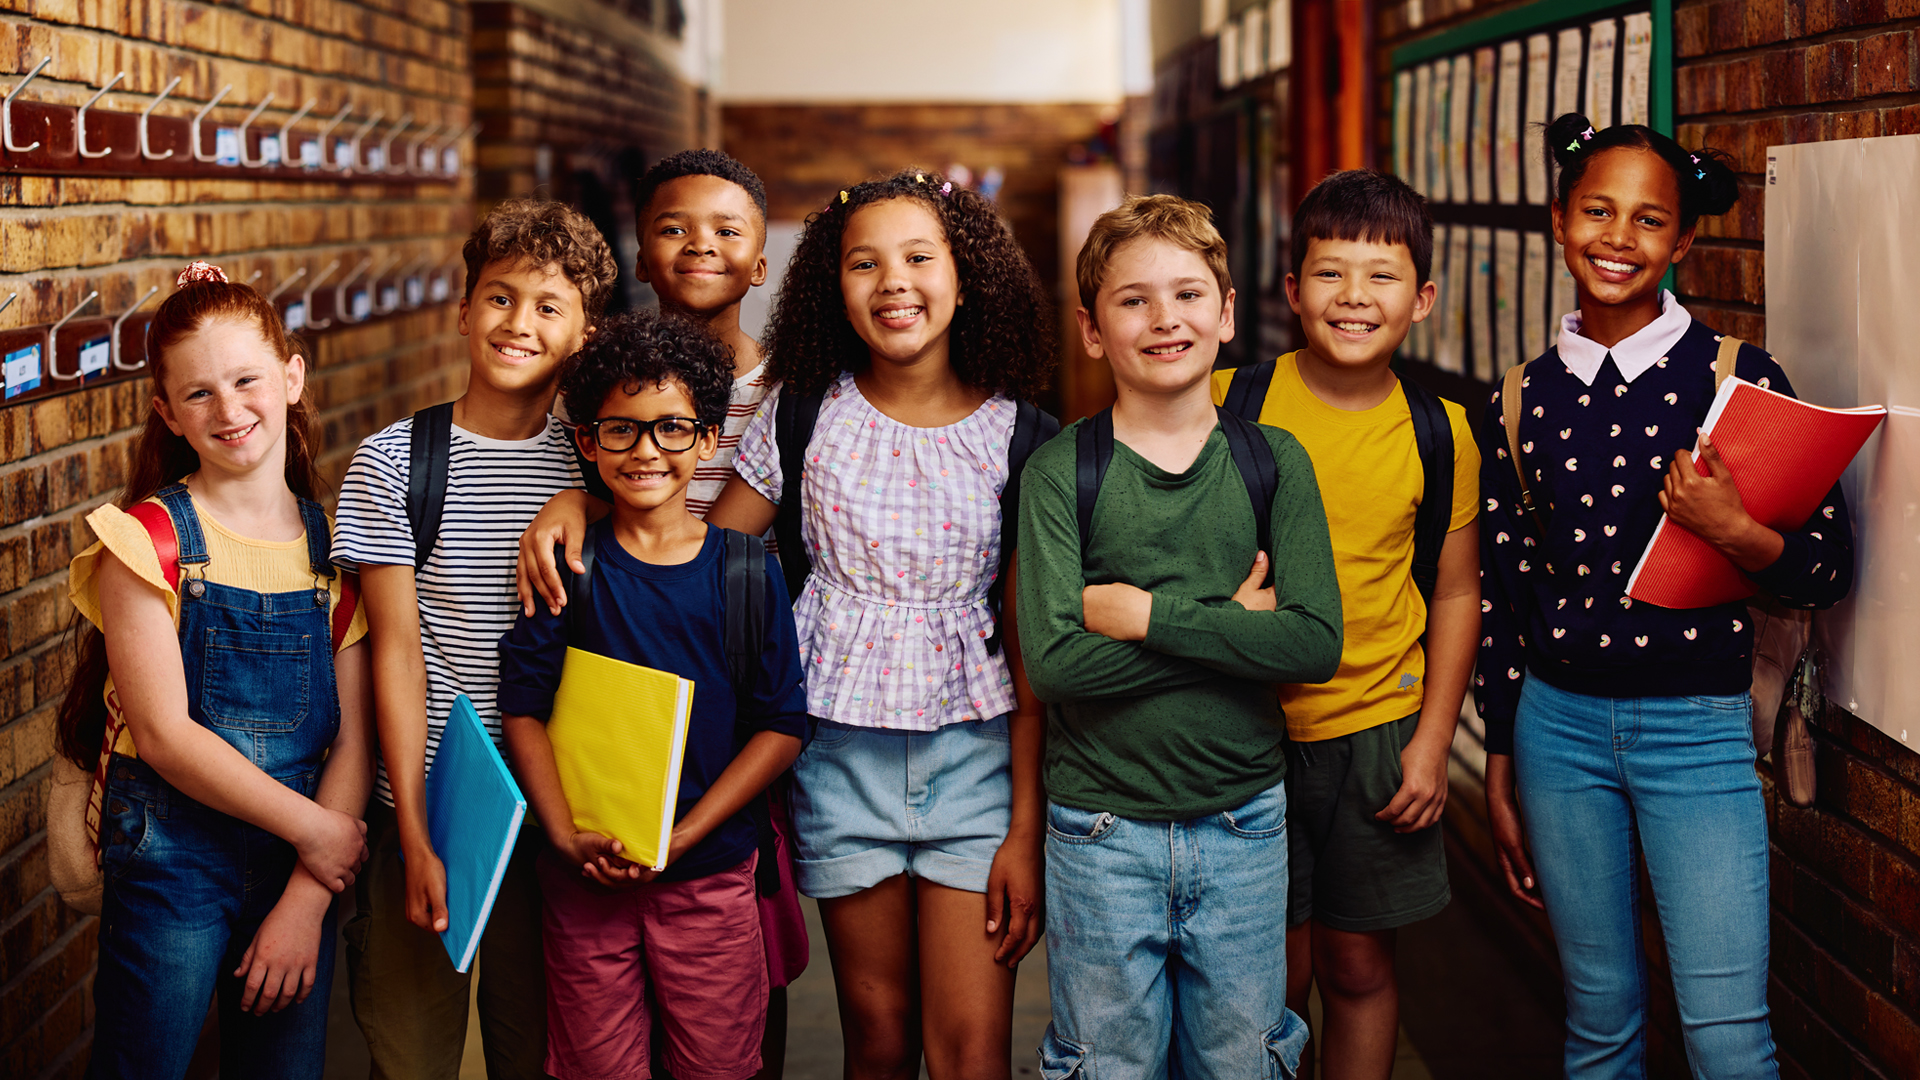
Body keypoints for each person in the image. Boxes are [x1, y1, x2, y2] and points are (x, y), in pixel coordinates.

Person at [520, 167, 1058, 1078]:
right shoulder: (805, 413)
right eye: (863, 263)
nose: (893, 282)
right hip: (837, 756)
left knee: (970, 1053)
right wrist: (579, 499)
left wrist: (1025, 828)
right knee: (876, 1038)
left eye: (919, 258)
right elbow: (695, 549)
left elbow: (1031, 653)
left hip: (976, 763)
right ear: (828, 286)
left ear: (966, 276)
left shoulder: (1026, 437)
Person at [1479, 113, 1854, 1079]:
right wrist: (1503, 756)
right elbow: (1505, 595)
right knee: (1600, 1027)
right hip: (1557, 734)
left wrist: (1733, 528)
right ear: (1559, 220)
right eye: (1597, 211)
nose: (1619, 238)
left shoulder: (1737, 379)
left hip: (1698, 734)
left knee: (1728, 1039)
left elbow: (1827, 567)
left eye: (1649, 220)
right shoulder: (1519, 399)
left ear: (1684, 240)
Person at [1017, 194, 1343, 1078]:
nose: (1165, 318)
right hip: (1099, 832)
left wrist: (1148, 616)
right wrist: (1232, 627)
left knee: (1242, 1059)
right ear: (1092, 330)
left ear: (1227, 313)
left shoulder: (1274, 461)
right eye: (1134, 300)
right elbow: (1055, 665)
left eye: (1188, 294)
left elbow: (1314, 645)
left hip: (1244, 824)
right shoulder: (1060, 473)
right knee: (1107, 1062)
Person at [59, 262, 374, 1080]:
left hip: (295, 868)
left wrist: (307, 896)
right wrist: (319, 833)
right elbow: (164, 736)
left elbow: (353, 740)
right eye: (199, 393)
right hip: (173, 857)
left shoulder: (333, 552)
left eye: (246, 380)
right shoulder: (145, 541)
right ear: (168, 412)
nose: (229, 410)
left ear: (292, 378)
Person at [334, 199, 618, 1080]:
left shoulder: (603, 464)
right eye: (499, 297)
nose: (517, 323)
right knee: (411, 1052)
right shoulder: (395, 462)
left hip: (555, 814)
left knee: (539, 1052)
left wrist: (587, 496)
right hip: (426, 802)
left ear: (584, 334)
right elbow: (396, 655)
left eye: (548, 306)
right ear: (463, 311)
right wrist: (416, 836)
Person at [1209, 170, 1481, 1080]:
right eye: (1330, 273)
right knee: (1269, 978)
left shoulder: (1441, 432)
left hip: (1376, 735)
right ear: (1292, 290)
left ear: (1423, 299)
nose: (1354, 297)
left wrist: (1432, 743)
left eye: (1382, 276)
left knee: (1359, 968)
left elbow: (1455, 595)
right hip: (1244, 732)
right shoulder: (1226, 402)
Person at [498, 310, 809, 1080]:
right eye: (621, 430)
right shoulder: (567, 567)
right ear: (586, 441)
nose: (645, 450)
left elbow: (781, 725)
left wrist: (687, 835)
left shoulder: (746, 572)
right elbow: (523, 711)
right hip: (584, 881)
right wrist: (563, 835)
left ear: (708, 439)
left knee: (718, 1065)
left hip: (711, 879)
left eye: (672, 428)